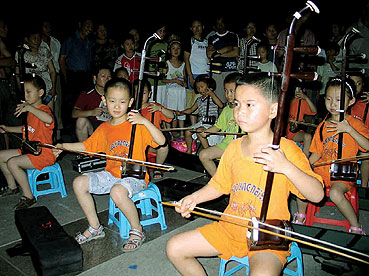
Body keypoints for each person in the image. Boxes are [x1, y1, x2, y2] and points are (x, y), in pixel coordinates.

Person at [166, 73, 324, 276]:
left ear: (273, 110)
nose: (240, 112)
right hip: (230, 228)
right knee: (174, 247)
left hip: (267, 236)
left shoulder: (287, 150)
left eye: (250, 105)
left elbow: (317, 195)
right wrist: (193, 198)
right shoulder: (233, 147)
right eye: (237, 104)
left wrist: (286, 167)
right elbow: (219, 184)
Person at [53, 78, 165, 250]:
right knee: (79, 182)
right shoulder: (104, 128)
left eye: (122, 102)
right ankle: (95, 227)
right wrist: (63, 146)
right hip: (112, 174)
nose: (117, 106)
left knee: (117, 191)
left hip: (136, 176)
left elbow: (161, 140)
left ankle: (137, 230)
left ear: (130, 102)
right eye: (112, 101)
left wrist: (145, 121)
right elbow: (87, 146)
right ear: (104, 100)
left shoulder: (137, 125)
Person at [294, 77, 369, 234]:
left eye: (338, 100)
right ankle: (300, 215)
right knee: (301, 181)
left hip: (344, 172)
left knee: (335, 193)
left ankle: (355, 225)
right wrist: (304, 167)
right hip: (323, 171)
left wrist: (349, 130)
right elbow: (316, 155)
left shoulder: (355, 124)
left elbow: (367, 147)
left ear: (350, 101)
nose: (333, 104)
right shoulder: (323, 126)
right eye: (328, 99)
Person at [0, 74, 55, 210]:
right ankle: (12, 187)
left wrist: (30, 108)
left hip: (43, 153)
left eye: (29, 92)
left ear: (40, 93)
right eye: (24, 92)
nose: (26, 95)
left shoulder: (43, 109)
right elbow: (26, 129)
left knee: (13, 162)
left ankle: (29, 196)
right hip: (29, 149)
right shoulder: (30, 112)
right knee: (1, 156)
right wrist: (7, 129)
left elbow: (49, 120)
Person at [198, 72, 242, 177]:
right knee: (203, 155)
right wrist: (206, 132)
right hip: (227, 144)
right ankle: (218, 181)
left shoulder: (246, 109)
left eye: (232, 91)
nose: (228, 95)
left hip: (241, 146)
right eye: (226, 91)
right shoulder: (226, 109)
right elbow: (218, 126)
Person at [133, 78, 174, 179]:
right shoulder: (130, 108)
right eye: (137, 93)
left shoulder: (154, 106)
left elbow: (171, 116)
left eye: (144, 93)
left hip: (153, 142)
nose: (140, 96)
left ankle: (158, 168)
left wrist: (160, 109)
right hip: (137, 143)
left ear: (149, 94)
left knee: (163, 146)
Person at [59, 17, 94, 130]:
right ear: (80, 24)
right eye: (87, 25)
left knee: (84, 101)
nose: (89, 28)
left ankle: (81, 127)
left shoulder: (89, 42)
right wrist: (66, 77)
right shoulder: (71, 39)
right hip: (73, 75)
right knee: (71, 102)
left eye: (91, 26)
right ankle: (68, 130)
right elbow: (62, 59)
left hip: (86, 75)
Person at [177, 74, 223, 154]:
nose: (200, 89)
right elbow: (191, 109)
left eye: (202, 86)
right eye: (198, 88)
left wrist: (212, 94)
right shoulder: (199, 100)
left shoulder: (213, 97)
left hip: (211, 123)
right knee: (188, 131)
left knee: (199, 131)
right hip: (202, 122)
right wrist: (182, 112)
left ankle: (208, 151)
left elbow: (221, 105)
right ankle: (189, 150)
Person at [15, 24, 56, 108]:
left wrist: (53, 87)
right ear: (27, 39)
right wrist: (21, 89)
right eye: (34, 38)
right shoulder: (22, 53)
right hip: (31, 91)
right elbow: (17, 73)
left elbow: (52, 71)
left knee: (48, 114)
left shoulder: (44, 51)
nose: (37, 41)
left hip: (46, 88)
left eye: (38, 38)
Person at [71, 64, 112, 142]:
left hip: (110, 126)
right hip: (94, 127)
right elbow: (74, 113)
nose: (107, 79)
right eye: (103, 76)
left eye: (109, 76)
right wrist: (92, 112)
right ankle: (85, 152)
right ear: (95, 78)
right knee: (81, 121)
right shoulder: (88, 93)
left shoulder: (115, 93)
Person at [206, 16, 239, 104]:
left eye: (222, 23)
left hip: (230, 70)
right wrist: (227, 49)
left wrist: (217, 53)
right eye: (218, 23)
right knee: (220, 100)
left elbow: (235, 53)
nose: (220, 25)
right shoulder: (211, 38)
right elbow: (209, 54)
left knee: (232, 98)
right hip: (217, 71)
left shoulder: (232, 36)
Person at [41, 20, 62, 139]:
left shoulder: (56, 42)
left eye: (49, 26)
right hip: (43, 76)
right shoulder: (38, 43)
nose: (47, 28)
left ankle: (56, 136)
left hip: (55, 75)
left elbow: (57, 62)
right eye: (45, 26)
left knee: (56, 106)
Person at [162, 40, 187, 137]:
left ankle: (181, 134)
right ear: (169, 50)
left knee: (181, 112)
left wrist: (184, 83)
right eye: (173, 48)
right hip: (171, 92)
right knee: (170, 112)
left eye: (178, 48)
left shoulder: (183, 64)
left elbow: (184, 78)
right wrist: (175, 81)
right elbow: (163, 79)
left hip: (181, 92)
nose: (176, 50)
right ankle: (169, 134)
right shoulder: (167, 63)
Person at [285, 86, 317, 157]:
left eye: (300, 89)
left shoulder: (300, 101)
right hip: (283, 131)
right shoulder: (283, 99)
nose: (297, 92)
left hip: (294, 131)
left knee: (307, 137)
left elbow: (314, 111)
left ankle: (304, 162)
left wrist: (306, 98)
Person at [350, 73, 369, 187]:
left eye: (359, 84)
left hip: (362, 139)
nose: (356, 87)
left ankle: (364, 186)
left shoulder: (365, 102)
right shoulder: (343, 101)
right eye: (353, 83)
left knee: (366, 155)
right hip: (346, 139)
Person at [183, 19, 209, 90]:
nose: (197, 28)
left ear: (203, 27)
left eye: (199, 26)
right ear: (191, 28)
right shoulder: (189, 41)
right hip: (194, 74)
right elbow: (186, 60)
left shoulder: (207, 41)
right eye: (194, 26)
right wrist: (191, 77)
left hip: (206, 74)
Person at [147, 24, 168, 105]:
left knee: (160, 103)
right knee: (151, 103)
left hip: (161, 78)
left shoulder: (165, 45)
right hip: (150, 78)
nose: (162, 33)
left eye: (164, 31)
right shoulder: (149, 45)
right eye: (160, 31)